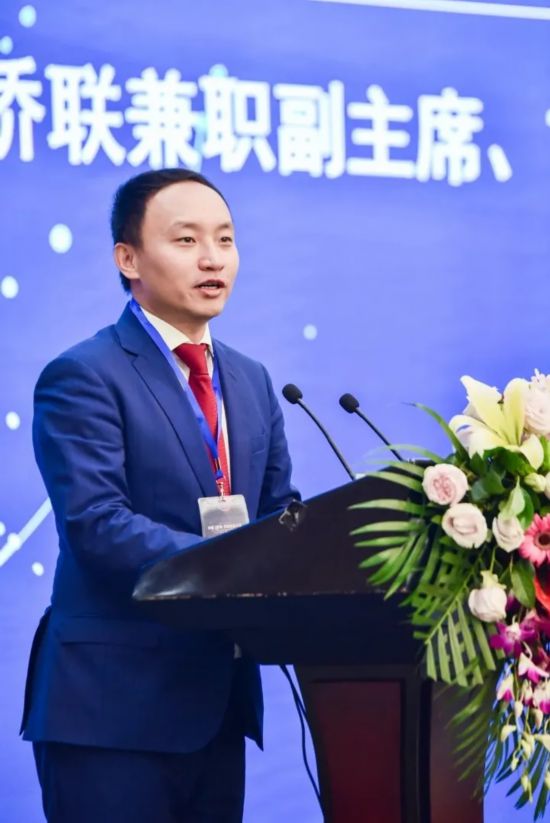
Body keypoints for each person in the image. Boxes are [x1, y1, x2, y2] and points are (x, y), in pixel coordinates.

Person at [20, 168, 299, 822]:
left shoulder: (252, 381)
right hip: (112, 712)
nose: (213, 258)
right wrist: (235, 563)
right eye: (186, 240)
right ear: (128, 259)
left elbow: (281, 515)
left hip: (218, 707)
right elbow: (97, 524)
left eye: (225, 239)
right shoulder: (83, 375)